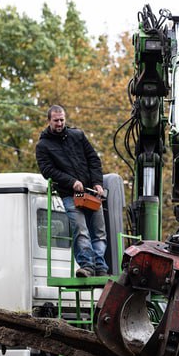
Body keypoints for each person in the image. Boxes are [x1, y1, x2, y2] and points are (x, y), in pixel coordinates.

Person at [36, 105, 109, 277]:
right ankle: (87, 266)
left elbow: (93, 159)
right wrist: (72, 182)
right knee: (81, 229)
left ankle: (100, 266)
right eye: (56, 120)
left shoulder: (78, 136)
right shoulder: (43, 146)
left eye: (62, 119)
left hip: (91, 192)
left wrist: (98, 183)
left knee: (99, 232)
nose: (60, 123)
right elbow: (47, 171)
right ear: (49, 121)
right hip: (70, 194)